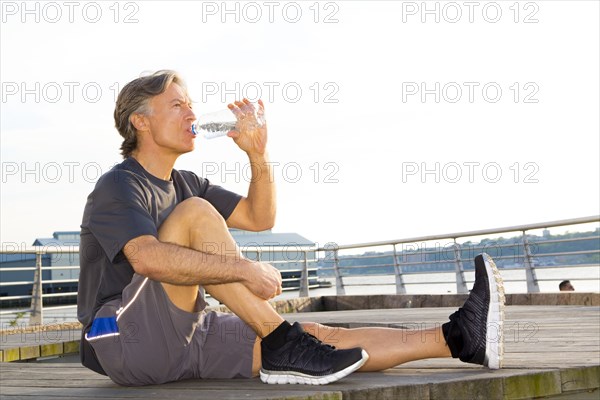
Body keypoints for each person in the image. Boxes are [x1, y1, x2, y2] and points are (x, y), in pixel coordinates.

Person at [77, 70, 505, 387]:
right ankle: (281, 338)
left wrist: (258, 155)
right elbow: (147, 257)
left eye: (190, 102)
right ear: (140, 121)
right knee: (195, 214)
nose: (191, 111)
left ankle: (459, 338)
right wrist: (244, 272)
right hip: (124, 337)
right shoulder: (120, 184)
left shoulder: (187, 183)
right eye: (177, 104)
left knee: (318, 337)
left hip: (187, 335)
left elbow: (259, 218)